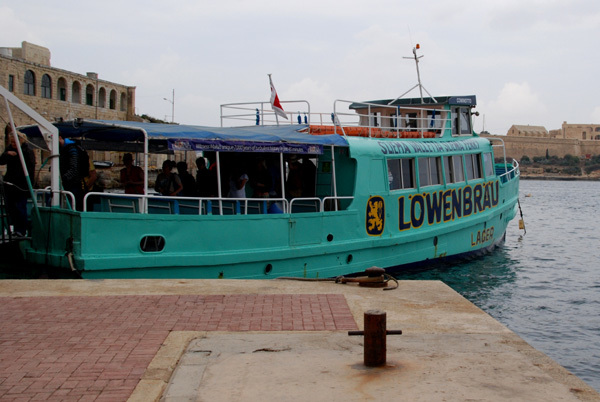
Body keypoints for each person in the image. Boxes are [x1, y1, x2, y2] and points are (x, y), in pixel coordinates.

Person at [0, 125, 35, 236]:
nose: (13, 144)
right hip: (10, 184)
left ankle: (21, 230)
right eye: (12, 142)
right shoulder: (10, 149)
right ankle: (15, 229)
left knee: (20, 208)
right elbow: (1, 161)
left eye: (15, 142)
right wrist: (7, 154)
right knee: (11, 208)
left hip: (21, 185)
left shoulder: (27, 150)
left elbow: (30, 166)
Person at [59, 135, 86, 211]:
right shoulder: (62, 149)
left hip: (73, 185)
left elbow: (74, 169)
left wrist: (62, 179)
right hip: (67, 184)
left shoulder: (72, 149)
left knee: (72, 206)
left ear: (60, 137)